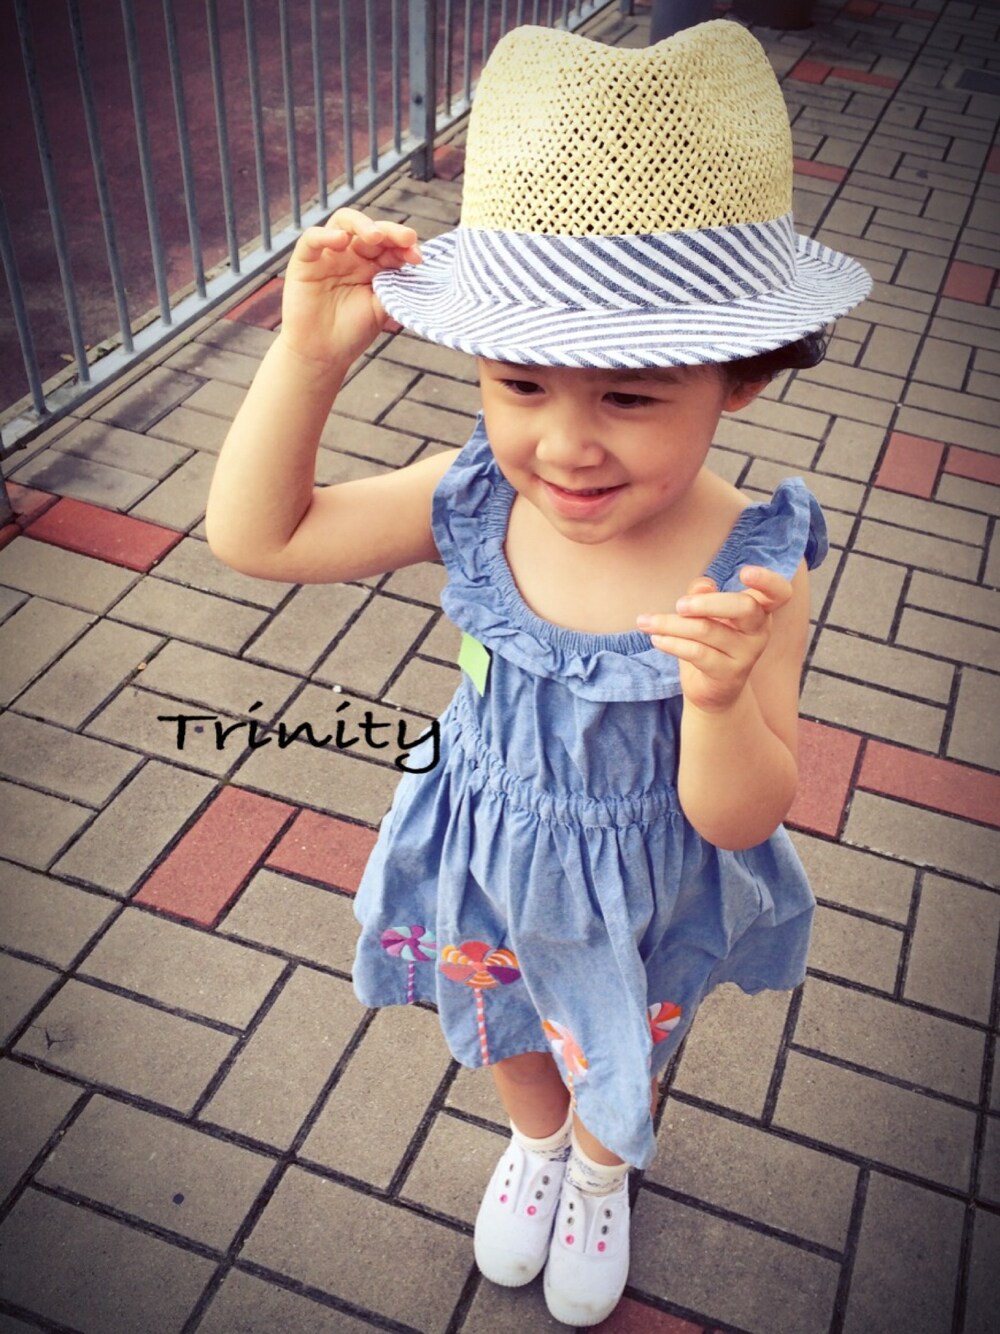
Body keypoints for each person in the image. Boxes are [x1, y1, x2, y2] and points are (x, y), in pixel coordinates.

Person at [207, 20, 870, 1328]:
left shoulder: (752, 566)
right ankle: (539, 1142)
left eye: (629, 395)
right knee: (504, 1020)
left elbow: (746, 813)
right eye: (520, 382)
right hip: (484, 842)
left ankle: (605, 1169)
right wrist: (308, 357)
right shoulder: (474, 498)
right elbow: (259, 537)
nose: (566, 445)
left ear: (737, 376)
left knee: (621, 1036)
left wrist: (719, 699)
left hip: (644, 882)